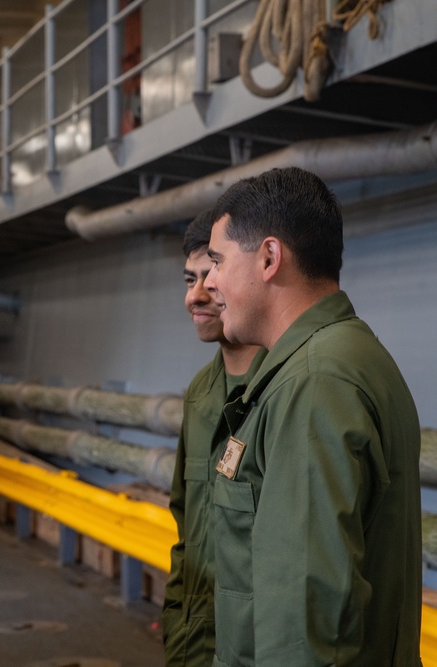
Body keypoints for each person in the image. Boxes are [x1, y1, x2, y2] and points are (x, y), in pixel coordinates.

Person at [203, 167, 422, 666]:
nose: (210, 282)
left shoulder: (314, 383)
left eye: (217, 261)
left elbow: (304, 619)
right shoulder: (339, 358)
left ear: (269, 258)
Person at [163, 210, 262, 666]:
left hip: (254, 644)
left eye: (211, 275)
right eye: (190, 280)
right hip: (195, 639)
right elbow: (186, 526)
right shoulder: (201, 393)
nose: (196, 296)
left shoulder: (282, 390)